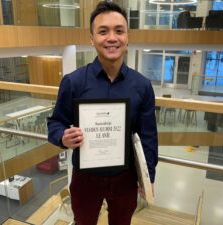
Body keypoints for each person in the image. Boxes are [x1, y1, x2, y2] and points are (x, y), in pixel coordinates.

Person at [47, 1, 158, 224]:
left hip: (125, 178)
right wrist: (62, 137)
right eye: (103, 31)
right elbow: (55, 123)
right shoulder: (73, 83)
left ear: (127, 37)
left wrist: (148, 178)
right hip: (85, 178)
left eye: (119, 31)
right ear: (92, 39)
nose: (112, 38)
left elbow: (148, 137)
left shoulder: (142, 86)